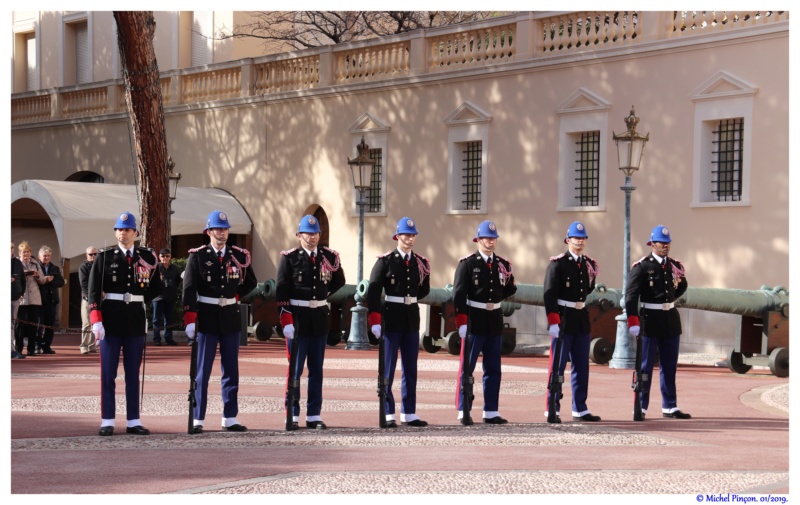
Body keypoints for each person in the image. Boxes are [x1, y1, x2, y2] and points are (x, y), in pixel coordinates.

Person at [183, 210, 257, 433]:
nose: (222, 233)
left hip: (230, 317)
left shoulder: (238, 255)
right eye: (218, 229)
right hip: (206, 316)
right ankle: (198, 417)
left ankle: (230, 416)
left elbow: (251, 281)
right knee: (202, 371)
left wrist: (235, 296)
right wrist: (189, 318)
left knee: (231, 369)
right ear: (209, 231)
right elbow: (188, 289)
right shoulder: (197, 256)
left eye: (225, 229)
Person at [89, 212, 162, 436]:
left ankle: (133, 420)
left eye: (127, 229)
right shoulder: (104, 257)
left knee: (133, 373)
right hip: (110, 320)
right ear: (115, 232)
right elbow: (92, 291)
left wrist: (138, 300)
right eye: (119, 229)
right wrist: (96, 320)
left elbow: (157, 287)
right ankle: (107, 420)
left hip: (135, 321)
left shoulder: (147, 257)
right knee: (108, 373)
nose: (123, 233)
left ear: (135, 233)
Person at [276, 215, 345, 430]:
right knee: (295, 370)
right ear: (299, 235)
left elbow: (339, 281)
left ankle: (314, 414)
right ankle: (293, 413)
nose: (312, 237)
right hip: (298, 319)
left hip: (318, 320)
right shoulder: (289, 258)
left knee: (317, 370)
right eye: (308, 233)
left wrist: (321, 296)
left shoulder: (329, 257)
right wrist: (286, 320)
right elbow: (281, 291)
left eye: (315, 233)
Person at [367, 217, 432, 428]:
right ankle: (388, 412)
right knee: (388, 369)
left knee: (410, 368)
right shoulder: (385, 261)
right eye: (406, 234)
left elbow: (424, 288)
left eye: (413, 235)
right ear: (397, 236)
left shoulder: (420, 262)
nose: (410, 238)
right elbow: (374, 292)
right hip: (391, 318)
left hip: (411, 319)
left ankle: (409, 412)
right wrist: (375, 319)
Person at [453, 220, 517, 425]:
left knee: (493, 368)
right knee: (467, 367)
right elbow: (459, 294)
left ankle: (490, 410)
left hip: (494, 320)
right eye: (487, 238)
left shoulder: (502, 265)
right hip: (475, 319)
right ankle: (464, 408)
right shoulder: (468, 264)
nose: (491, 242)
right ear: (478, 239)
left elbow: (508, 288)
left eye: (493, 238)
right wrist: (462, 321)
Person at [625, 225, 691, 420]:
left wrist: (669, 299)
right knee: (645, 367)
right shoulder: (642, 266)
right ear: (652, 244)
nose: (665, 246)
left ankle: (670, 406)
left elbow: (683, 285)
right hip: (649, 321)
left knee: (669, 366)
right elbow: (631, 296)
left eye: (667, 242)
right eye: (661, 243)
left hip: (670, 320)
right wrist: (632, 320)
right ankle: (641, 406)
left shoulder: (674, 266)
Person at [542, 221, 601, 423]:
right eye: (577, 238)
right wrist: (553, 321)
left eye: (583, 238)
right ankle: (552, 406)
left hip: (580, 318)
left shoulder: (588, 264)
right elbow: (549, 294)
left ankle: (580, 407)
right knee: (557, 366)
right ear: (568, 240)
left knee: (581, 366)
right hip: (563, 317)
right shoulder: (558, 263)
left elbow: (587, 290)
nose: (580, 241)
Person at [15, 241, 46, 357]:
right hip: (21, 299)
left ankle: (31, 349)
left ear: (30, 252)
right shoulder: (16, 264)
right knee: (20, 325)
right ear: (19, 253)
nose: (26, 254)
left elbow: (42, 280)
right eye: (23, 252)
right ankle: (18, 348)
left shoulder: (35, 263)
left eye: (27, 252)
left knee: (33, 324)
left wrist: (37, 275)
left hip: (34, 298)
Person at [37, 245, 65, 354]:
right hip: (39, 300)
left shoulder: (55, 268)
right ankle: (37, 345)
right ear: (39, 256)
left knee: (50, 324)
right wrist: (45, 280)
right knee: (39, 324)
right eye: (44, 256)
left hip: (51, 300)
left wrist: (51, 280)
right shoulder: (36, 267)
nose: (46, 258)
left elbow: (61, 282)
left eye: (48, 256)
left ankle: (46, 346)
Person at [152, 247, 181, 346]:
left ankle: (168, 339)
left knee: (169, 319)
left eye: (167, 256)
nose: (165, 258)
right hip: (158, 297)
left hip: (170, 296)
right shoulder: (156, 268)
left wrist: (171, 286)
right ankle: (156, 339)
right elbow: (151, 282)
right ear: (159, 257)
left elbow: (178, 281)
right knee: (157, 319)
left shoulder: (175, 268)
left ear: (170, 257)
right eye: (162, 256)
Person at [78, 246, 99, 354]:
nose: (93, 256)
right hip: (87, 298)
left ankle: (91, 344)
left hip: (98, 299)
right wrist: (96, 292)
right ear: (86, 255)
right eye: (91, 254)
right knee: (86, 323)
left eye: (95, 254)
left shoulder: (100, 266)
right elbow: (84, 284)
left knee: (95, 322)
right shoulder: (83, 267)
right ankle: (84, 345)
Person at [11, 242, 26, 359]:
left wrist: (21, 293)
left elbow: (23, 279)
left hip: (15, 297)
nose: (10, 250)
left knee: (11, 324)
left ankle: (11, 350)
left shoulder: (17, 262)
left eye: (12, 247)